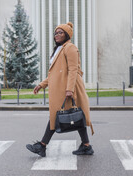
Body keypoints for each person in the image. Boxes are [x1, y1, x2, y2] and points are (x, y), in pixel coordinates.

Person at [26, 22, 94, 157]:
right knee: (76, 115)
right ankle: (86, 146)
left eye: (60, 32)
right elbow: (55, 73)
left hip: (70, 87)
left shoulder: (70, 48)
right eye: (55, 33)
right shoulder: (59, 49)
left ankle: (42, 145)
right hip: (62, 87)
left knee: (59, 115)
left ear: (67, 34)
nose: (57, 35)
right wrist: (41, 84)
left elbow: (73, 70)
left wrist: (70, 90)